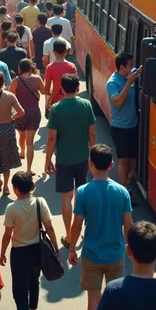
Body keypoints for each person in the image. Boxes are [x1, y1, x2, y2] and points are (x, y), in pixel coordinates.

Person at [69, 144, 133, 310]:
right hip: (116, 255)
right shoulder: (122, 192)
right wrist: (130, 248)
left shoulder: (83, 192)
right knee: (116, 301)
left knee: (93, 300)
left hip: (91, 255)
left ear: (90, 164)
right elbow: (129, 225)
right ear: (111, 165)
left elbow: (77, 224)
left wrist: (71, 248)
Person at [0, 172, 59, 310]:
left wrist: (2, 253)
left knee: (19, 294)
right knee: (34, 282)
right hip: (37, 252)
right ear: (32, 187)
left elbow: (8, 234)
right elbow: (49, 228)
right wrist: (56, 248)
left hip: (19, 254)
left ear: (16, 189)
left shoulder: (12, 208)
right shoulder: (40, 203)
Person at [45, 73, 96, 248]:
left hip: (64, 159)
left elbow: (51, 138)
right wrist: (94, 155)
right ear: (77, 88)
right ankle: (84, 231)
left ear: (61, 89)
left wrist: (47, 160)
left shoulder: (56, 108)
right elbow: (92, 133)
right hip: (83, 157)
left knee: (66, 198)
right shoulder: (86, 105)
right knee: (82, 195)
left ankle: (68, 236)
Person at [106, 52, 142, 192]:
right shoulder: (113, 83)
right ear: (122, 67)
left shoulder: (130, 74)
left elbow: (139, 70)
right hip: (120, 128)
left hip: (133, 125)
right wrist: (129, 83)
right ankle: (123, 190)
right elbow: (118, 102)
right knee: (124, 161)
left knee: (133, 159)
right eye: (130, 65)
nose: (133, 68)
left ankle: (129, 179)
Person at [9, 59, 45, 172]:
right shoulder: (37, 79)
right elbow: (44, 91)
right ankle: (29, 169)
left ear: (19, 69)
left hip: (20, 113)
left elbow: (10, 96)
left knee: (21, 135)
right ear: (30, 68)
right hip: (34, 112)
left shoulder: (16, 81)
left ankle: (22, 151)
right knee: (30, 142)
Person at [45, 39, 77, 111]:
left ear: (53, 52)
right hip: (70, 100)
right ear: (65, 52)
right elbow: (76, 85)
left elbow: (47, 87)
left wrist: (47, 101)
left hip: (55, 100)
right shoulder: (72, 66)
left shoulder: (50, 67)